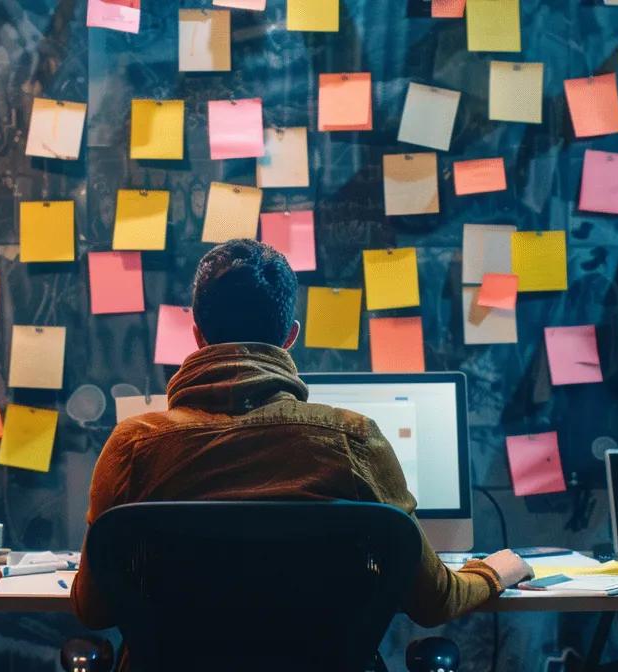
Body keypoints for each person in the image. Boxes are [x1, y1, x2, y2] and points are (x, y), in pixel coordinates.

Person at [70, 239, 532, 633]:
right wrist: (495, 572)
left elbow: (92, 610)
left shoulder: (132, 445)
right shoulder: (351, 438)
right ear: (290, 337)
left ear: (196, 334)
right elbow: (433, 601)